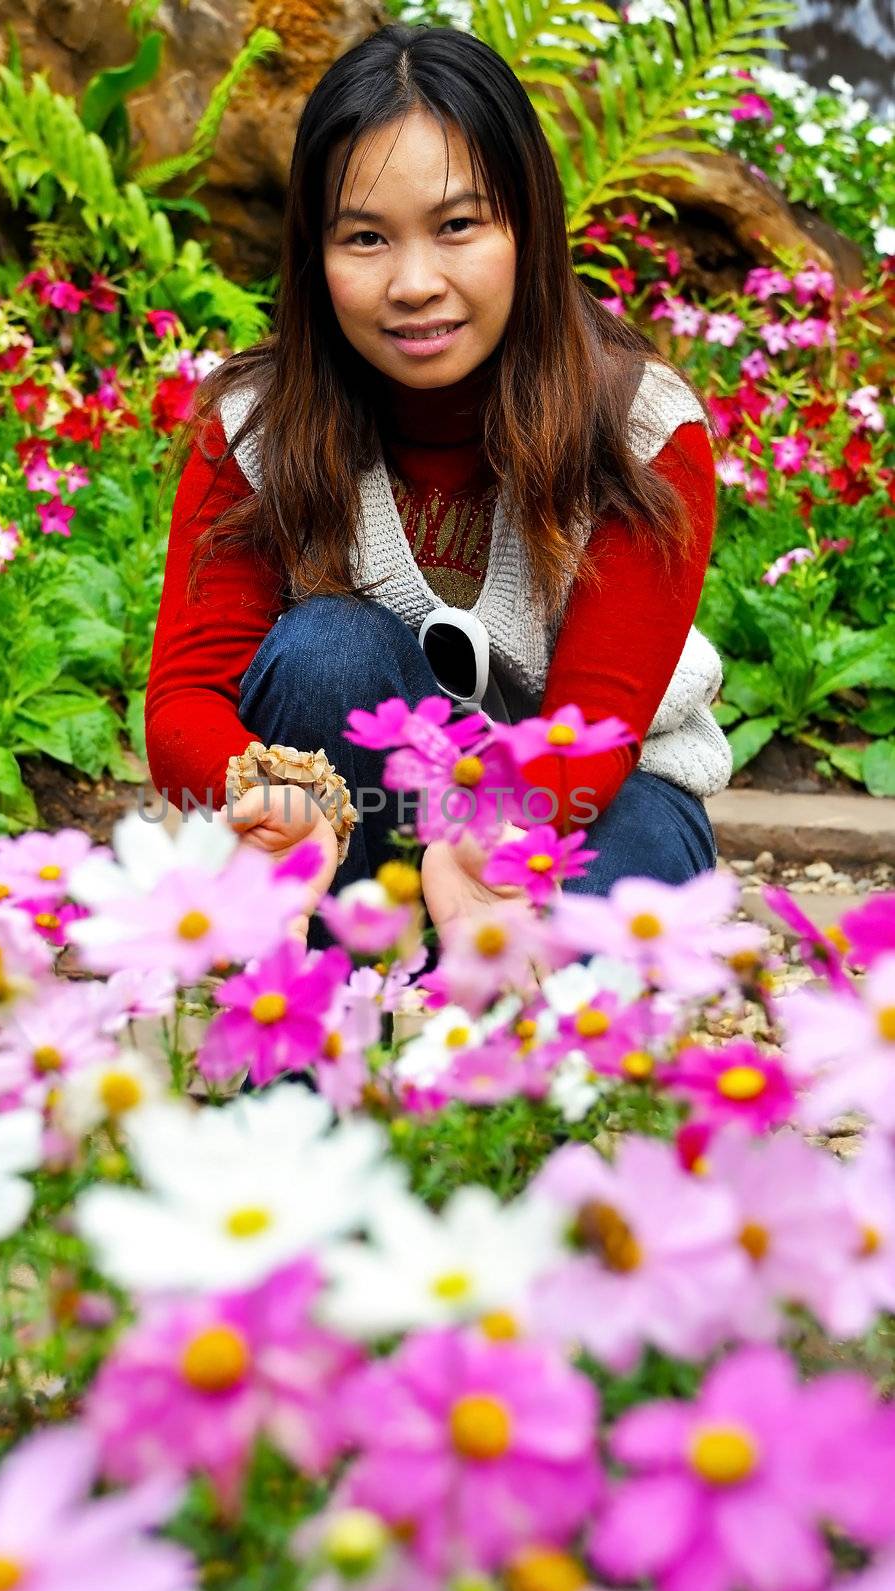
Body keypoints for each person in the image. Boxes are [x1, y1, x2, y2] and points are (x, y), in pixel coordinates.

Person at [146, 22, 732, 951]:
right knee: (325, 648)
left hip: (590, 802)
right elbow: (185, 701)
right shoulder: (258, 426)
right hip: (354, 808)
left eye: (457, 226)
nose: (414, 283)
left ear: (527, 225)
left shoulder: (638, 430)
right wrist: (265, 797)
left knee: (596, 931)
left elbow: (591, 732)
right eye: (366, 238)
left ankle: (449, 1016)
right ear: (314, 253)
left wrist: (489, 833)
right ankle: (334, 1006)